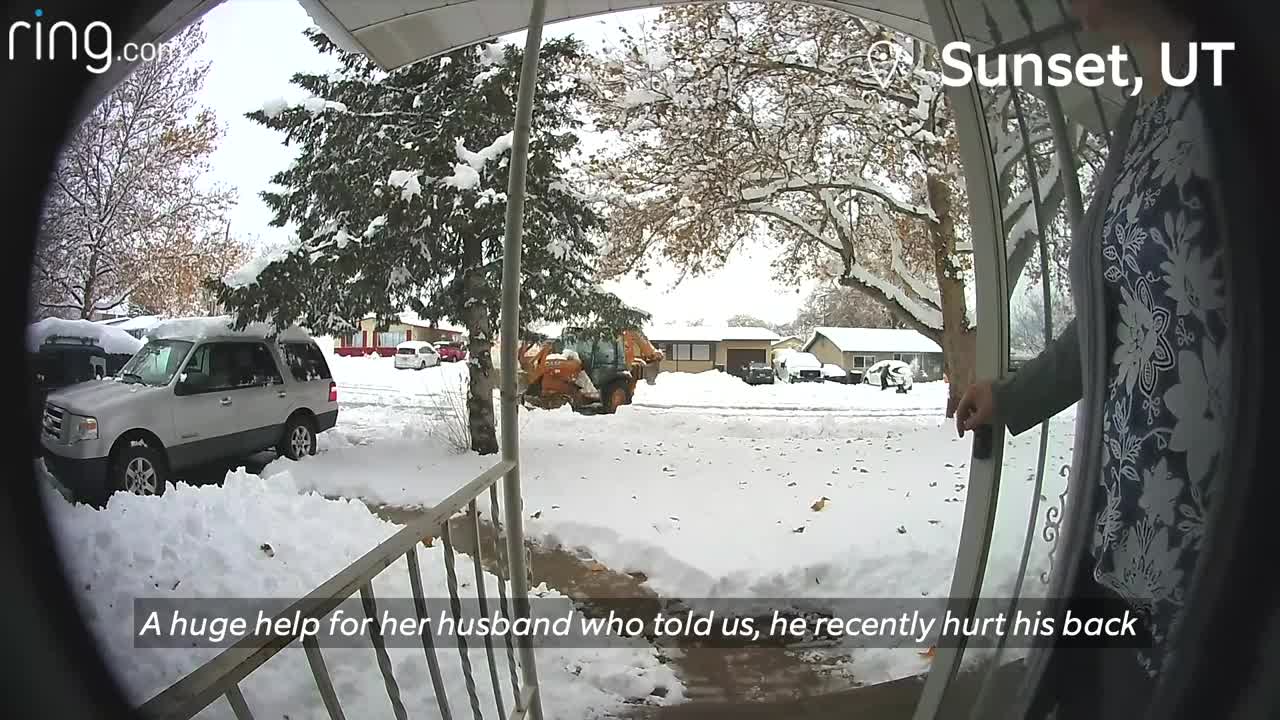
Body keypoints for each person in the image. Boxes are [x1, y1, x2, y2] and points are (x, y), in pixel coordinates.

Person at [953, 0, 1231, 717]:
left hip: (1225, 524)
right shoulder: (1145, 112)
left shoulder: (1240, 95)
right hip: (1128, 516)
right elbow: (1117, 309)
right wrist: (1015, 395)